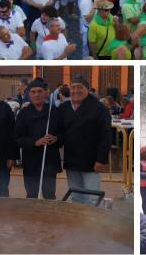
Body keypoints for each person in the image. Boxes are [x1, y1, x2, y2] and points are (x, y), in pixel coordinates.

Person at [56, 75, 111, 204]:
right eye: (73, 88)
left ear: (87, 89)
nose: (76, 91)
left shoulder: (99, 108)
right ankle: (79, 222)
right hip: (71, 160)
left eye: (79, 87)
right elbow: (59, 131)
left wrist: (101, 160)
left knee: (93, 198)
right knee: (76, 196)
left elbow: (106, 135)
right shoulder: (63, 108)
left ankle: (93, 223)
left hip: (91, 161)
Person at [14, 78, 61, 199]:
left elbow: (64, 134)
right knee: (32, 195)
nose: (37, 94)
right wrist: (35, 142)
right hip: (31, 161)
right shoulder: (23, 113)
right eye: (33, 92)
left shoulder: (54, 112)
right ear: (29, 94)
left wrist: (56, 138)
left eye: (40, 91)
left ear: (46, 93)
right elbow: (18, 138)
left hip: (49, 160)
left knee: (49, 195)